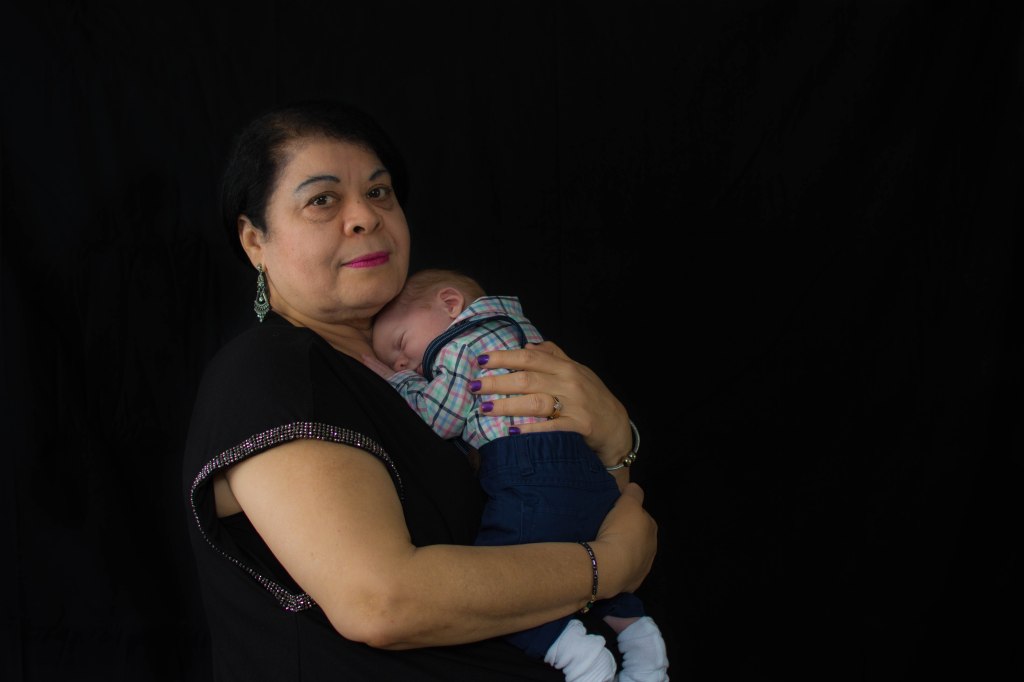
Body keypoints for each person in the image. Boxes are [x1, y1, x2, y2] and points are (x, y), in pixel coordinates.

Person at [182, 98, 658, 682]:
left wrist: (615, 444)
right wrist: (607, 568)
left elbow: (565, 511)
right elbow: (381, 602)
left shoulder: (444, 361)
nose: (364, 216)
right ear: (255, 241)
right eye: (322, 200)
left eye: (378, 192)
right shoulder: (270, 371)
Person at [365, 268, 670, 682]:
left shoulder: (459, 344)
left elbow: (440, 417)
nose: (401, 362)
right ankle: (643, 647)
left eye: (400, 344)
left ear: (450, 304)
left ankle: (581, 659)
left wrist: (398, 380)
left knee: (499, 583)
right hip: (585, 463)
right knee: (580, 548)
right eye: (394, 361)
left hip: (526, 462)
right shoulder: (517, 328)